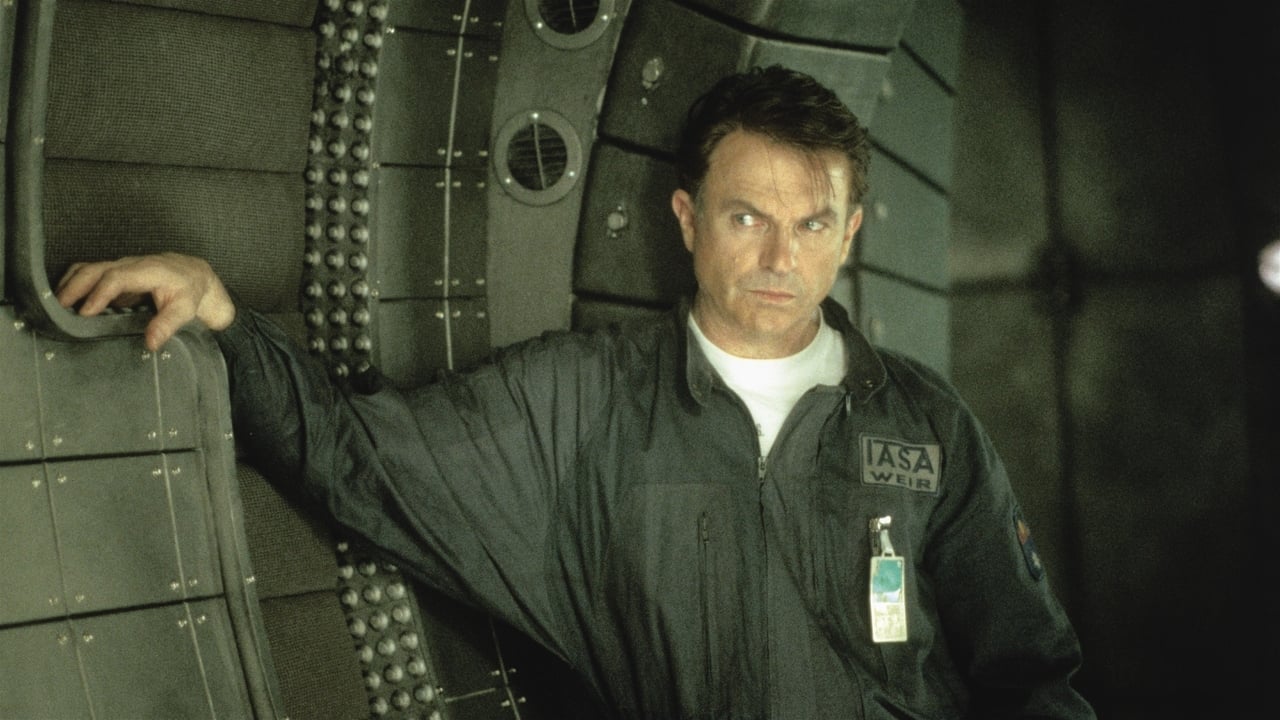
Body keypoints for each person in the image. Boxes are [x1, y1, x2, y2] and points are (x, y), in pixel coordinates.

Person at [56, 65, 1095, 719]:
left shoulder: (923, 422)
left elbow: (1031, 672)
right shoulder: (577, 404)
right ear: (687, 218)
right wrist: (223, 318)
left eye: (812, 224)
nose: (782, 257)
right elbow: (359, 463)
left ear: (850, 233)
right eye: (747, 218)